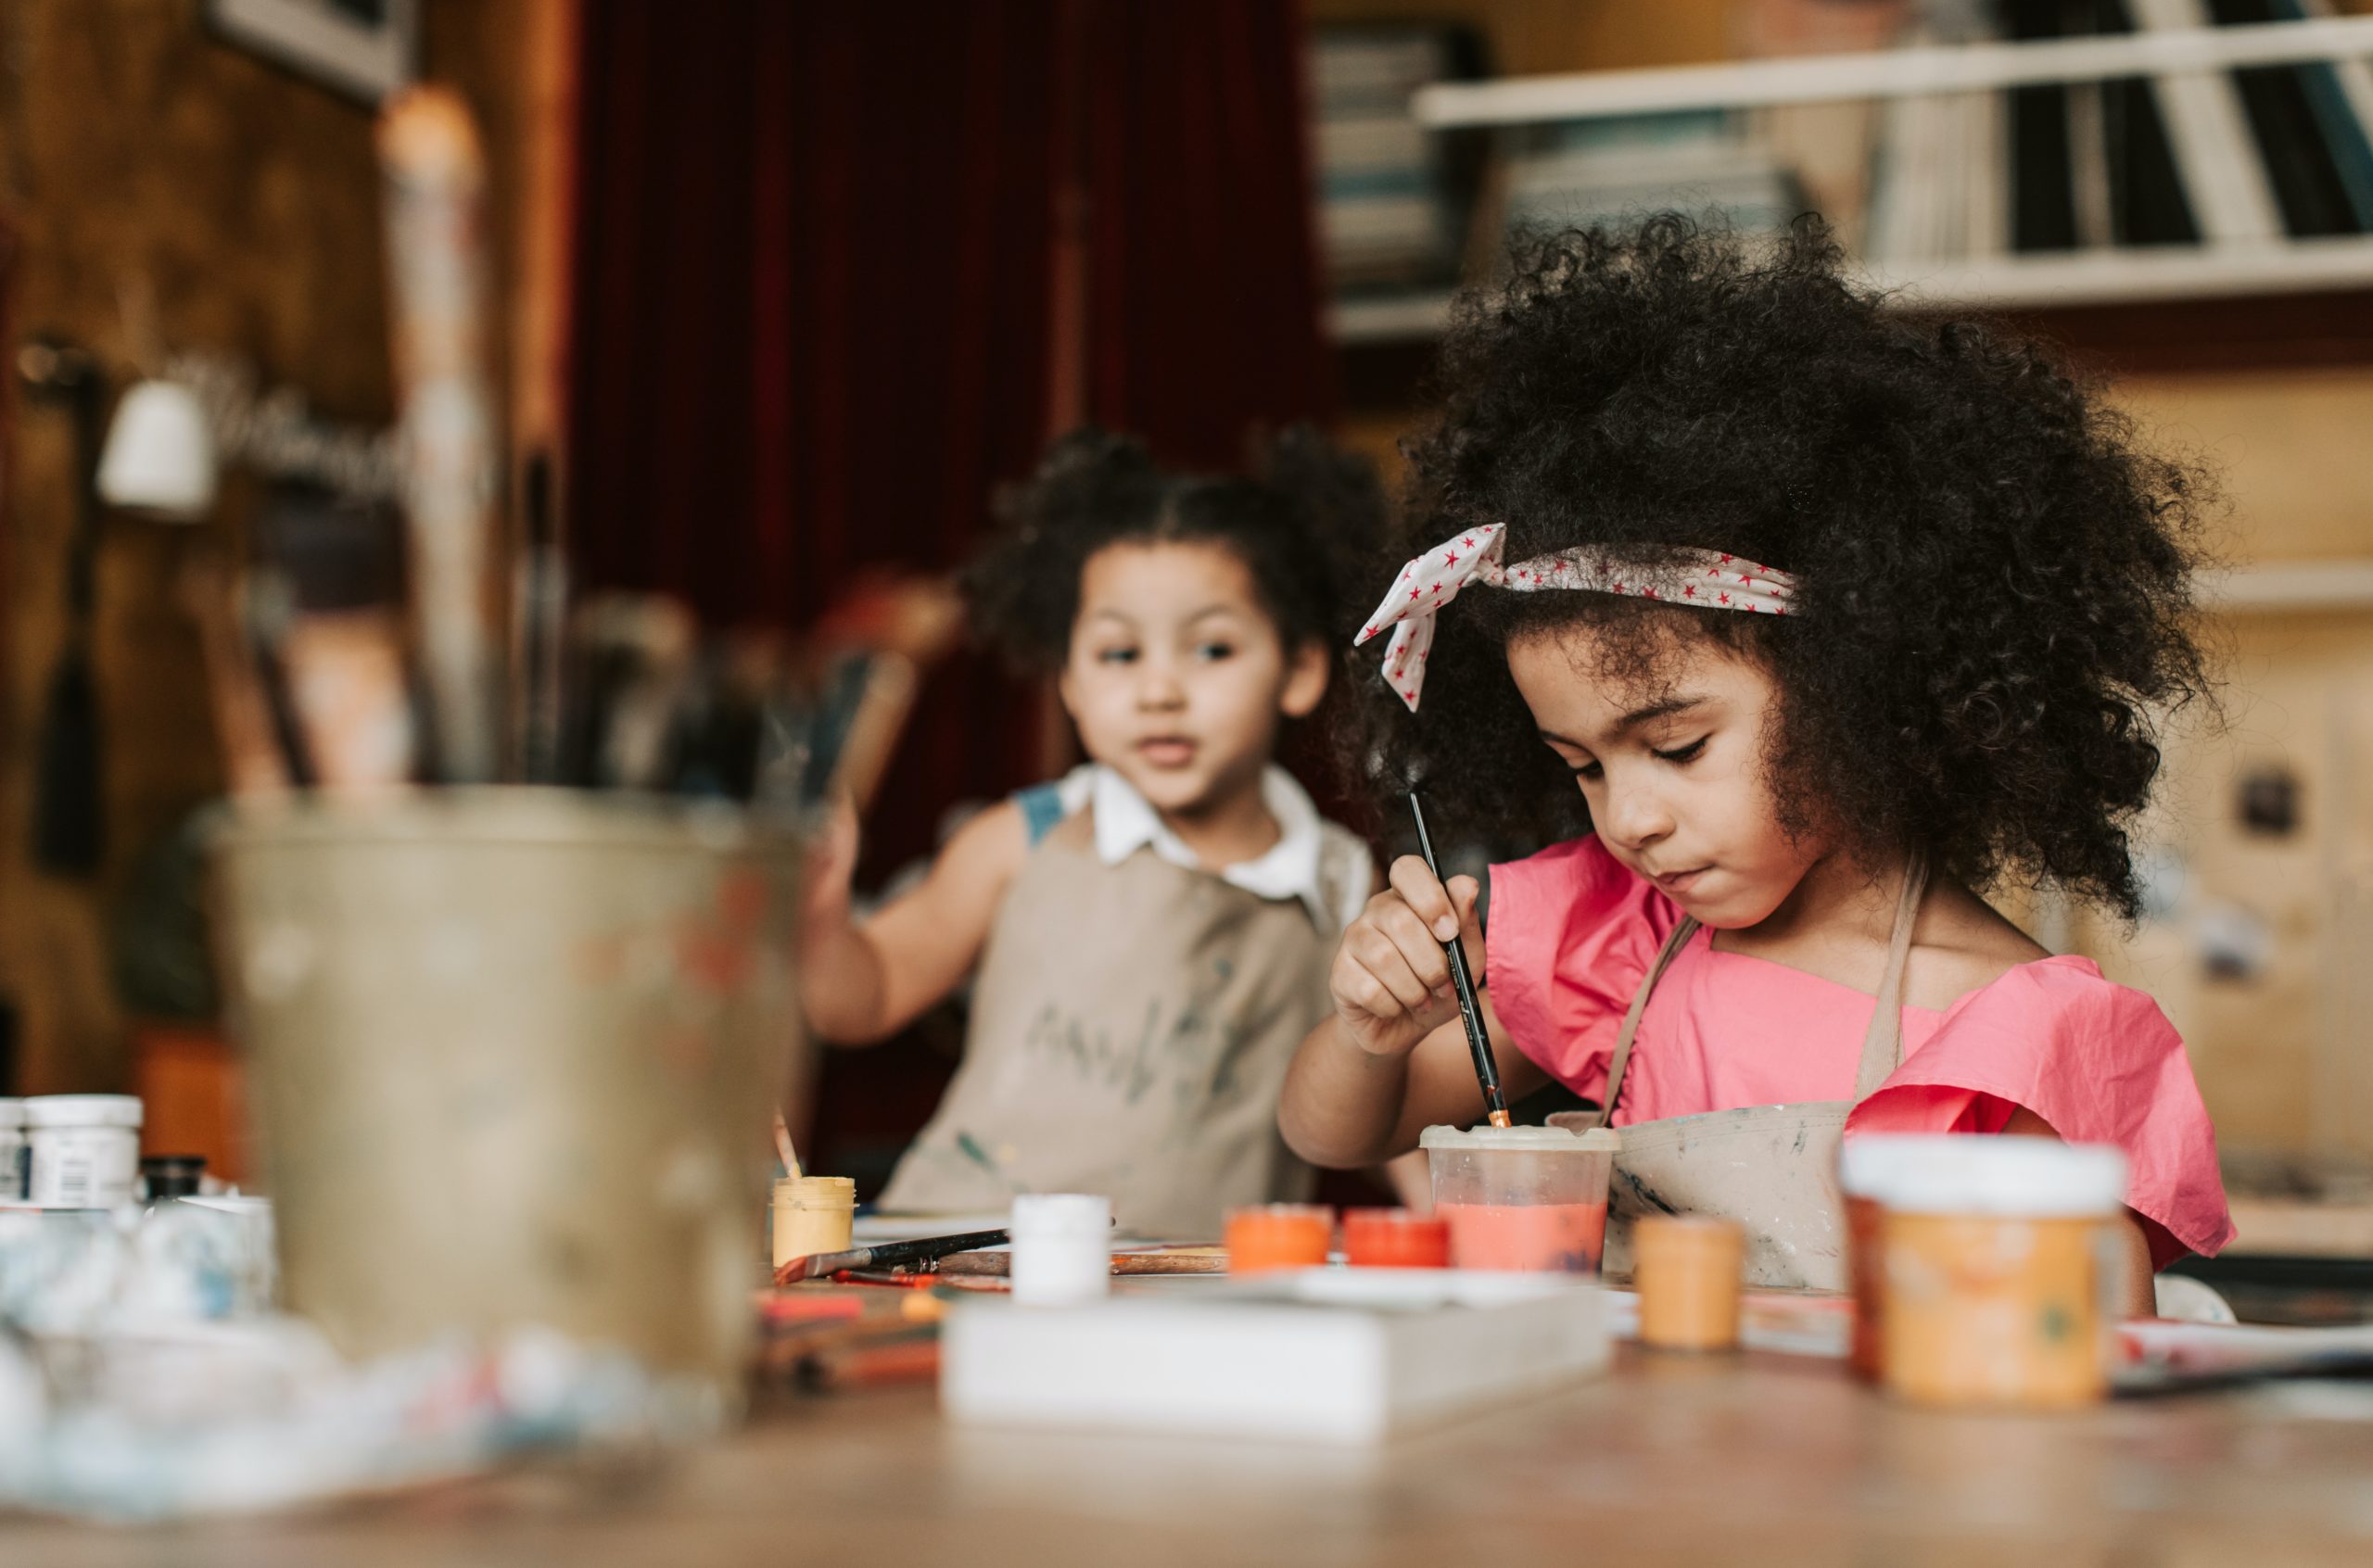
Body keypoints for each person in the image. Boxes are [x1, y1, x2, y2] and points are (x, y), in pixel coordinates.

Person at [1278, 217, 2233, 1309]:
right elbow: (1335, 1128)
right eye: (1581, 766)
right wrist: (1366, 1032)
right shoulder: (1624, 944)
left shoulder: (2009, 1032)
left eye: (1677, 746)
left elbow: (2085, 1365)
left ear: (1855, 686)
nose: (1628, 816)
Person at [800, 427, 1376, 1237]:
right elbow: (864, 998)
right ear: (1069, 679)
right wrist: (820, 918)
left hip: (1189, 1304)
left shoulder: (1339, 882)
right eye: (1119, 653)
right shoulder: (1021, 838)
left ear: (1301, 670)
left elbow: (1382, 1104)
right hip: (954, 1260)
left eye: (1212, 647)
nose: (1159, 690)